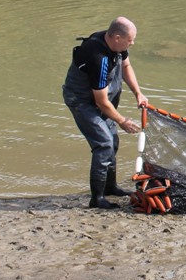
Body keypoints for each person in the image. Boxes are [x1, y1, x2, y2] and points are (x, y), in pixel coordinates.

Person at [62, 16, 148, 209]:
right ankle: (97, 199)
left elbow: (126, 67)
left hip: (100, 101)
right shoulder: (98, 59)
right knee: (104, 144)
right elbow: (101, 102)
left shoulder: (116, 45)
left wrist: (138, 93)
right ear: (117, 37)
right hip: (82, 102)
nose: (132, 43)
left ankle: (110, 187)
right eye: (130, 40)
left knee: (113, 141)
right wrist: (122, 120)